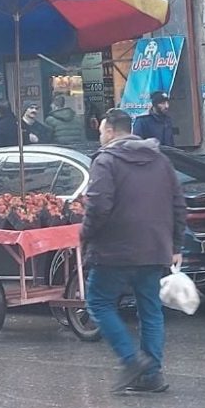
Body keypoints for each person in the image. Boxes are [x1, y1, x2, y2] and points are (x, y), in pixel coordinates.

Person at [83, 108, 186, 393]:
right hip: (154, 248)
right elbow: (178, 203)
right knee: (150, 309)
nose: (100, 137)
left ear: (111, 131)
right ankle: (152, 375)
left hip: (114, 250)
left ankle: (132, 361)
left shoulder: (106, 161)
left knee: (99, 302)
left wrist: (85, 235)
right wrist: (176, 244)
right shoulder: (160, 159)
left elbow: (98, 206)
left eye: (101, 131)